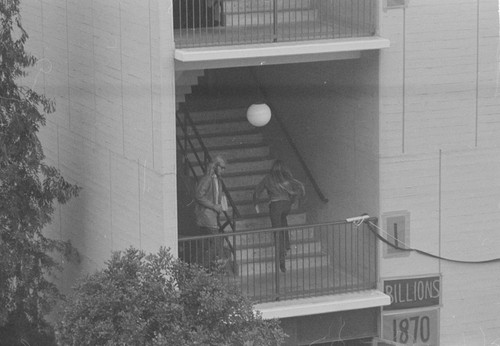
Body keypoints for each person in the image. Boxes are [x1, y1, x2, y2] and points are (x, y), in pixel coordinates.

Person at [253, 160, 305, 273]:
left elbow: (257, 191)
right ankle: (286, 245)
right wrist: (290, 202)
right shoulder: (286, 178)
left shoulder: (268, 178)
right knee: (283, 221)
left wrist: (256, 204)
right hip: (286, 206)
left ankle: (282, 261)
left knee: (277, 232)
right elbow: (298, 189)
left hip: (275, 205)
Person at [194, 156, 228, 268]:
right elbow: (199, 195)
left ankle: (202, 267)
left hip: (212, 216)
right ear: (215, 166)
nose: (223, 170)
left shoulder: (217, 180)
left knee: (208, 245)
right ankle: (202, 267)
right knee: (216, 243)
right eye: (221, 167)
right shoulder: (208, 179)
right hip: (207, 216)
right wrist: (214, 206)